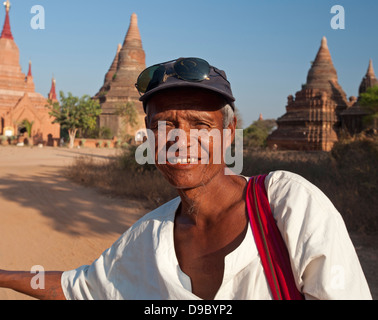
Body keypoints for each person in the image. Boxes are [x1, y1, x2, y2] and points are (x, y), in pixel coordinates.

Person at [0, 57, 372, 300]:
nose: (181, 139)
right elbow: (78, 287)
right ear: (148, 139)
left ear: (228, 135)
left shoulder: (288, 206)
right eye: (165, 126)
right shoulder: (147, 238)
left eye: (201, 125)